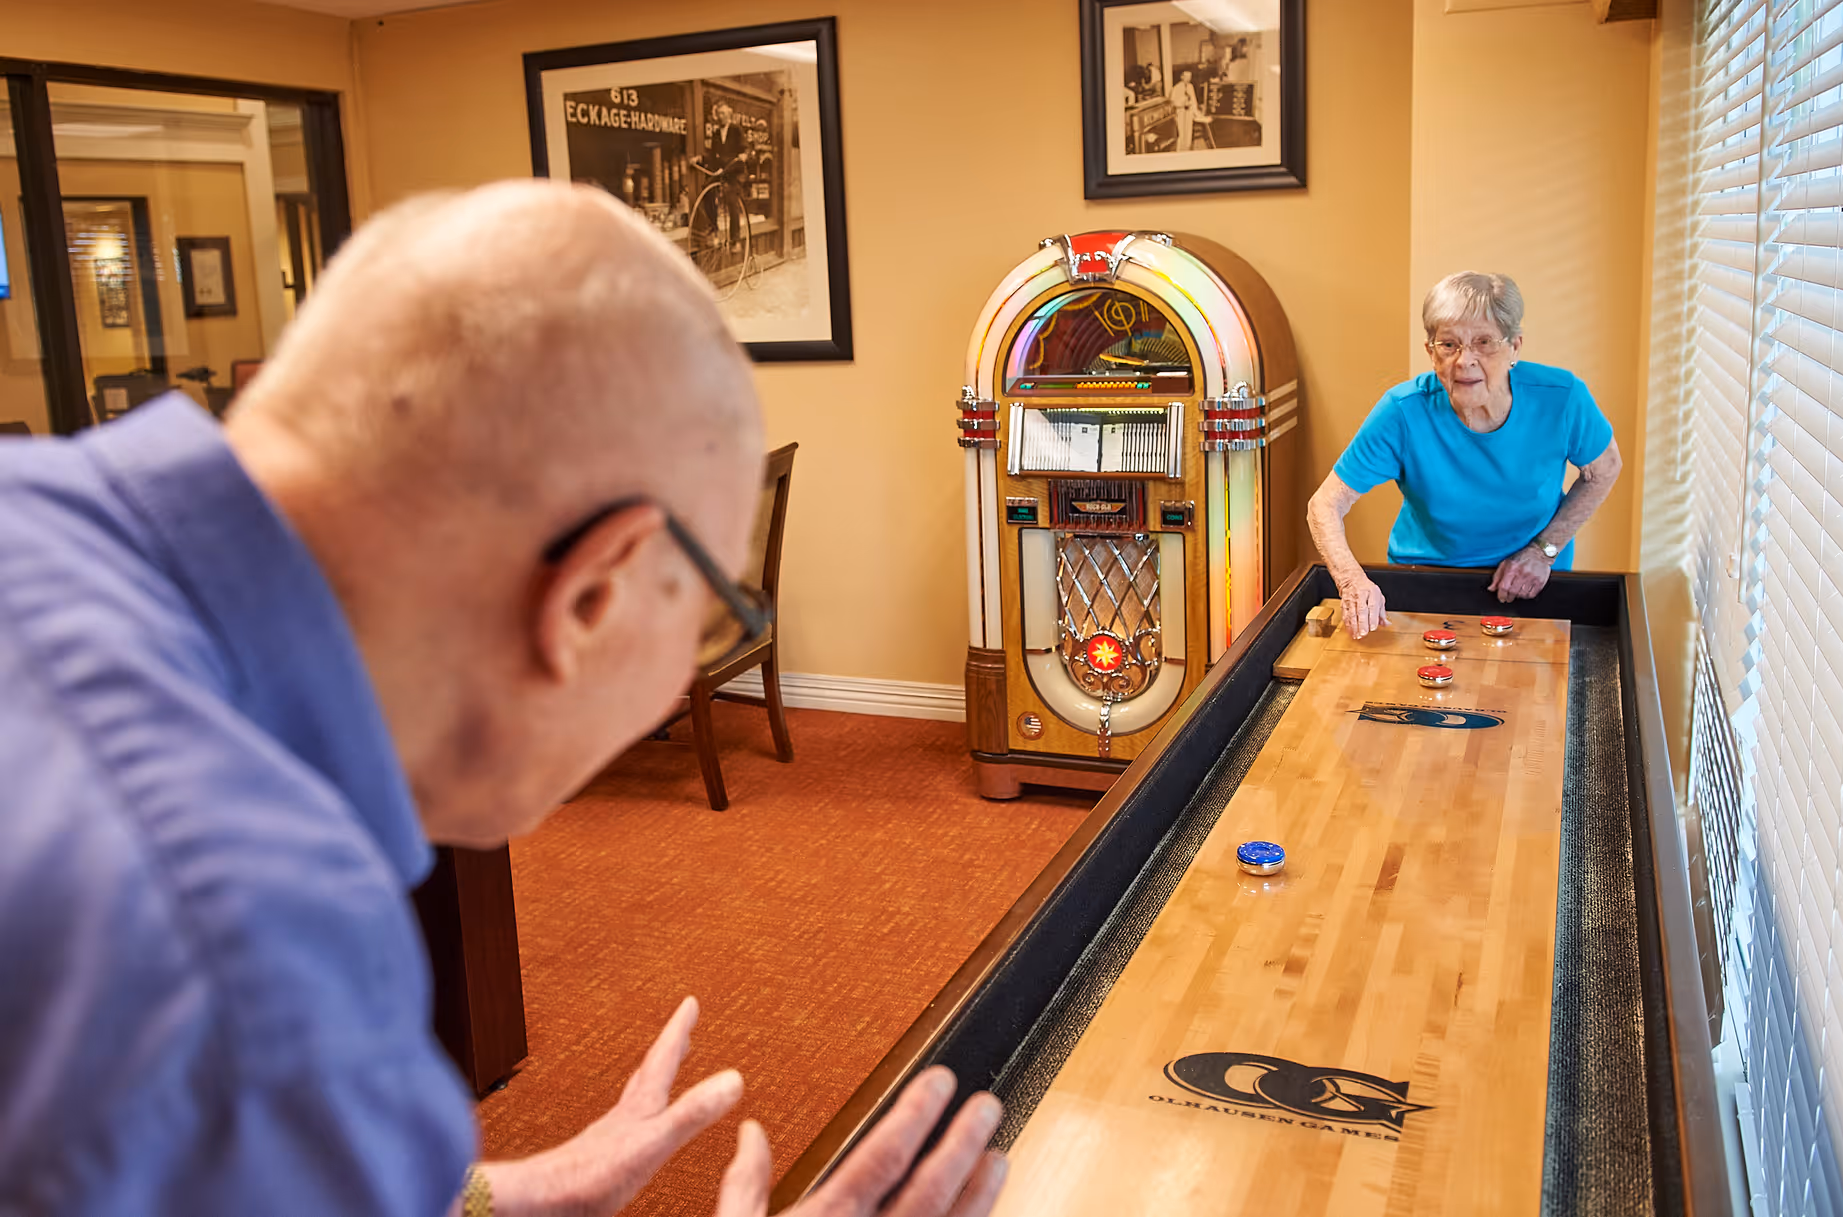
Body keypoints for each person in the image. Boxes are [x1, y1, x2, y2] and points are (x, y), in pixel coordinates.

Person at [0, 181, 1006, 1217]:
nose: (683, 671)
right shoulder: (245, 950)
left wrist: (468, 1196)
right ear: (592, 592)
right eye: (709, 613)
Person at [1306, 271, 1624, 638]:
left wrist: (1543, 551)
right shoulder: (1403, 411)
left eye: (1484, 342)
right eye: (1449, 345)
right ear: (1431, 353)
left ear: (1514, 347)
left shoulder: (1562, 397)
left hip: (1531, 580)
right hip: (1425, 579)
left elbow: (1604, 469)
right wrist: (1352, 583)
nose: (1464, 360)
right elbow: (1324, 506)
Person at [1171, 69, 1200, 151]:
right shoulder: (1176, 88)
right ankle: (1180, 150)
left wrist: (1196, 112)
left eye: (1190, 77)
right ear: (1182, 77)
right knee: (1181, 132)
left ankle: (1188, 148)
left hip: (1189, 112)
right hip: (1180, 112)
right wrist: (1183, 102)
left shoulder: (1190, 87)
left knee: (1188, 131)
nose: (1188, 78)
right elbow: (1173, 102)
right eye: (1186, 76)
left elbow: (1194, 100)